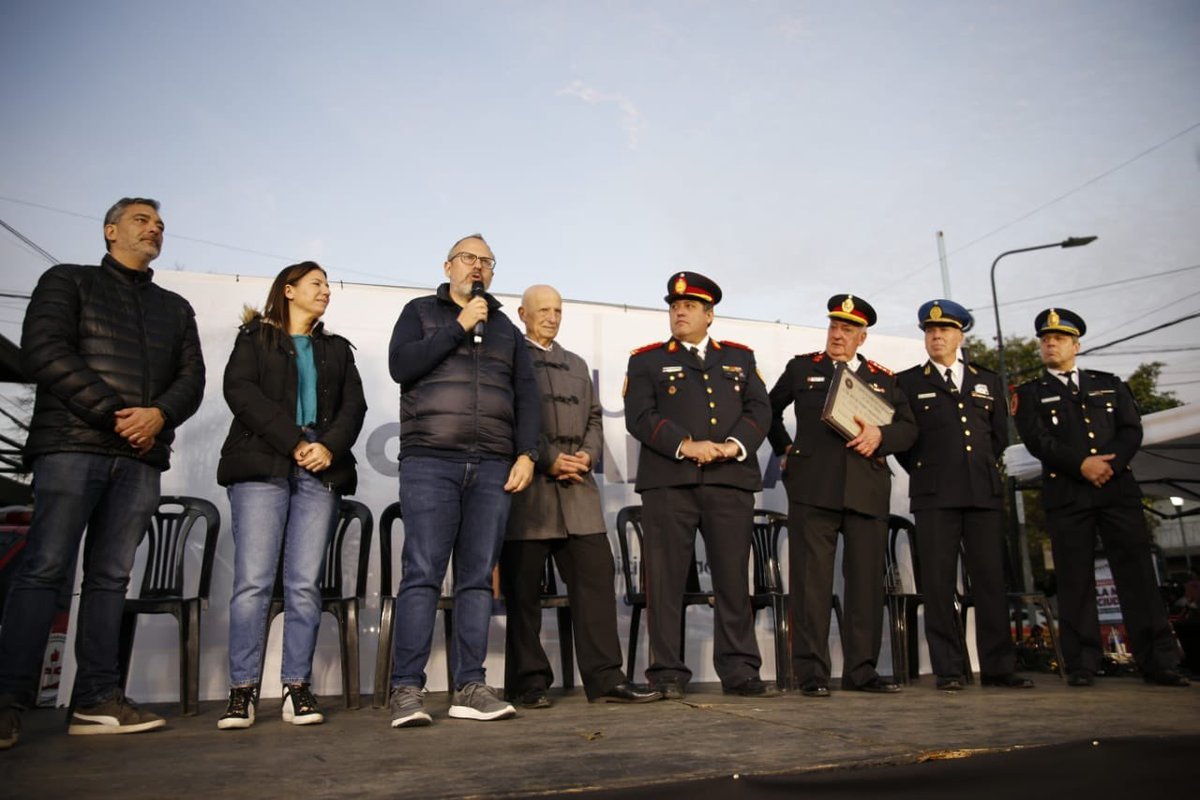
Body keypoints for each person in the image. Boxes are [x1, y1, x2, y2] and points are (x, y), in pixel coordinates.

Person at [0, 198, 205, 749]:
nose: (154, 228)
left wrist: (158, 416)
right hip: (71, 447)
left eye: (160, 222)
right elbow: (44, 353)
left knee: (111, 578)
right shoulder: (67, 281)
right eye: (142, 220)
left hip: (140, 458)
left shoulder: (175, 307)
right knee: (45, 568)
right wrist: (114, 415)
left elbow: (192, 379)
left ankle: (95, 698)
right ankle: (6, 701)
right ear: (111, 231)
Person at [386, 233, 541, 727]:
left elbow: (527, 394)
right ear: (448, 265)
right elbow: (401, 366)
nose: (478, 267)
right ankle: (407, 690)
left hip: (494, 463)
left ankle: (470, 687)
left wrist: (527, 453)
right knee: (423, 574)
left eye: (487, 261)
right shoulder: (419, 312)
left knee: (477, 580)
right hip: (431, 460)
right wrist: (457, 326)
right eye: (469, 259)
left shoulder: (507, 330)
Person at [215, 262, 367, 729]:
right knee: (253, 583)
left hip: (319, 471)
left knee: (304, 584)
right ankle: (242, 691)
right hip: (263, 464)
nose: (325, 291)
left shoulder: (337, 349)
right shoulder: (254, 339)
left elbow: (353, 406)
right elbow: (239, 392)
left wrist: (327, 446)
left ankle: (296, 687)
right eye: (316, 283)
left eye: (327, 285)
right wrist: (294, 441)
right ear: (289, 290)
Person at [500, 285, 661, 708]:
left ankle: (606, 678)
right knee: (523, 594)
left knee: (595, 580)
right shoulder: (508, 359)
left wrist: (588, 453)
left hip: (579, 495)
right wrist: (549, 458)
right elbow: (510, 418)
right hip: (530, 493)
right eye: (543, 310)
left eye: (557, 310)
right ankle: (528, 683)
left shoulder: (576, 363)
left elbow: (593, 417)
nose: (551, 317)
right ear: (522, 313)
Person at [1012, 308, 1188, 688]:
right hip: (1068, 493)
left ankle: (1158, 661)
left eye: (1058, 338)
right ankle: (1082, 662)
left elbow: (1130, 429)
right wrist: (1083, 464)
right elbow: (1037, 440)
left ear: (1076, 344)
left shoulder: (1108, 384)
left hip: (1116, 489)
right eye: (1045, 339)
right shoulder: (1030, 393)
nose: (1050, 344)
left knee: (1138, 575)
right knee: (1075, 581)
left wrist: (1110, 464)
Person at [623, 271, 774, 700]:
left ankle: (740, 669)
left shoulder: (741, 358)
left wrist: (730, 447)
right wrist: (687, 445)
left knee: (731, 580)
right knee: (667, 582)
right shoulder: (646, 360)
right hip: (670, 483)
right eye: (674, 306)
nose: (679, 311)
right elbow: (640, 416)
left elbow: (760, 411)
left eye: (689, 306)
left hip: (730, 481)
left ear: (709, 314)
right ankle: (667, 671)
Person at [768, 294, 916, 697]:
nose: (837, 334)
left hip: (867, 491)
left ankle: (862, 671)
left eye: (847, 330)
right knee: (811, 585)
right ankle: (812, 674)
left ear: (862, 338)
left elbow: (909, 429)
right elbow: (766, 410)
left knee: (866, 585)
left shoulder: (884, 379)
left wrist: (881, 436)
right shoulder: (803, 368)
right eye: (834, 326)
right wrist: (784, 450)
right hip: (813, 490)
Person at [895, 300, 1032, 691]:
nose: (936, 336)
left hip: (982, 493)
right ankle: (950, 669)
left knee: (990, 581)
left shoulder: (986, 380)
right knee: (938, 585)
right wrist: (929, 471)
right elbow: (905, 444)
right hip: (935, 494)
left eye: (944, 330)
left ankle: (998, 667)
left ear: (960, 335)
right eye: (929, 331)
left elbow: (998, 437)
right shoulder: (907, 383)